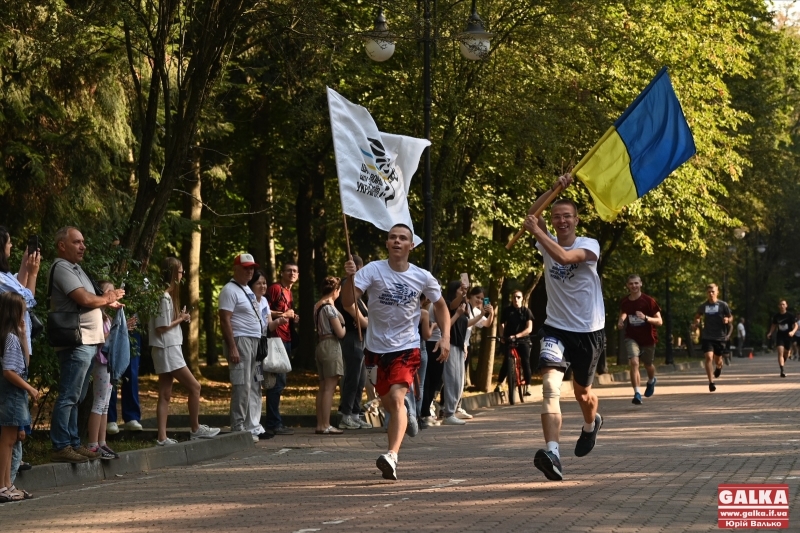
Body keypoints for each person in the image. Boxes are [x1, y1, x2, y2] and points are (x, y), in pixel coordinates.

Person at [342, 224, 450, 481]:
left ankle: (391, 455)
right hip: (375, 349)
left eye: (403, 238)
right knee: (389, 403)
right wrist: (349, 278)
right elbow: (347, 301)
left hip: (407, 346)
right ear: (387, 243)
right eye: (393, 237)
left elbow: (441, 305)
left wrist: (444, 337)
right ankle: (406, 416)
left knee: (396, 397)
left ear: (411, 245)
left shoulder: (422, 276)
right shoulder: (372, 270)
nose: (397, 241)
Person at [522, 174, 606, 482]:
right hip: (555, 328)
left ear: (576, 220)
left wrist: (538, 232)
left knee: (583, 394)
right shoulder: (547, 240)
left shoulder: (589, 245)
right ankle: (553, 453)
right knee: (550, 388)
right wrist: (553, 189)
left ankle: (590, 423)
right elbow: (533, 214)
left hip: (588, 331)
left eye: (567, 216)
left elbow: (565, 256)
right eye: (556, 217)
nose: (561, 221)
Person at [49, 227, 124, 463]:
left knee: (79, 396)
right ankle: (61, 445)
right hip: (76, 341)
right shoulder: (61, 267)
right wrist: (107, 299)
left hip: (88, 341)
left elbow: (95, 298)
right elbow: (84, 299)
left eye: (83, 241)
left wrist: (106, 300)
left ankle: (72, 442)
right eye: (77, 242)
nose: (83, 246)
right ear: (62, 245)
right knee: (70, 395)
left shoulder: (77, 268)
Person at [150, 258, 219, 446]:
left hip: (165, 348)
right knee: (195, 387)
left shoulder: (163, 296)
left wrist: (181, 317)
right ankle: (195, 428)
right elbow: (161, 327)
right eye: (180, 271)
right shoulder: (164, 297)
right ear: (172, 273)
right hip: (168, 349)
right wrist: (181, 318)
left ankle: (162, 437)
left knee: (165, 393)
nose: (182, 274)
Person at [0, 227, 40, 482]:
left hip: (20, 346)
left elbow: (20, 293)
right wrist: (33, 273)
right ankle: (5, 484)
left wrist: (26, 269)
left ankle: (8, 481)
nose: (11, 247)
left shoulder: (6, 276)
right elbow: (25, 299)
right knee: (9, 431)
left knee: (14, 432)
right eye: (9, 243)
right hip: (13, 350)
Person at [219, 253, 268, 442]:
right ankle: (238, 427)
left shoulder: (246, 289)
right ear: (236, 268)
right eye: (246, 267)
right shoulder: (229, 290)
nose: (250, 271)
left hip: (254, 341)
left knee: (253, 384)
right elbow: (225, 319)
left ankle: (250, 425)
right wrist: (232, 347)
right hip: (241, 341)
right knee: (242, 385)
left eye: (252, 268)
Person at [0, 293, 38, 502]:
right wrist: (30, 388)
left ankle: (7, 484)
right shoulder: (10, 338)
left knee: (11, 439)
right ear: (15, 312)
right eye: (23, 310)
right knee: (7, 441)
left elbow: (24, 365)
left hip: (12, 395)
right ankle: (2, 485)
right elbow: (10, 372)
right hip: (12, 395)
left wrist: (24, 335)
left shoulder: (12, 336)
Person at [248, 269, 289, 439]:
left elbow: (268, 326)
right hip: (250, 345)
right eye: (259, 283)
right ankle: (248, 425)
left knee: (258, 386)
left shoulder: (264, 301)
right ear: (251, 285)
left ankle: (257, 425)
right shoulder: (248, 300)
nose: (263, 286)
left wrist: (279, 321)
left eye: (264, 283)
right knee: (249, 386)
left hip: (262, 347)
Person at [334, 256, 371, 430]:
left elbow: (365, 315)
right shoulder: (346, 287)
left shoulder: (360, 293)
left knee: (360, 378)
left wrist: (366, 320)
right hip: (351, 336)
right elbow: (355, 314)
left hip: (362, 338)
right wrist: (368, 322)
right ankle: (346, 414)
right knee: (352, 377)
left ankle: (355, 413)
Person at [85, 281, 120, 459]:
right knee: (99, 402)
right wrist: (114, 331)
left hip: (109, 364)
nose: (113, 294)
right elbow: (99, 338)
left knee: (105, 404)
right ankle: (93, 444)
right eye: (110, 291)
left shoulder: (107, 317)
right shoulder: (97, 315)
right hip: (100, 362)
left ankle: (102, 442)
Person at [617, 274, 662, 405]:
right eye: (631, 284)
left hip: (648, 337)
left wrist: (646, 318)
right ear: (627, 286)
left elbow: (660, 321)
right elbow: (624, 312)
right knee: (634, 362)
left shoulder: (649, 301)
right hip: (631, 337)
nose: (634, 286)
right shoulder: (625, 301)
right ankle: (637, 393)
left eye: (636, 283)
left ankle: (651, 380)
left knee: (648, 365)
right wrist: (621, 320)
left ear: (641, 284)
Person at [265, 262, 299, 436]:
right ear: (282, 273)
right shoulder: (275, 289)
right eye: (289, 270)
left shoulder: (288, 292)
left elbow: (284, 312)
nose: (292, 273)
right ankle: (273, 423)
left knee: (280, 382)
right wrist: (283, 315)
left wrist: (292, 317)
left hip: (286, 339)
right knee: (275, 383)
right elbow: (264, 309)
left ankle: (275, 421)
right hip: (275, 340)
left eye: (295, 271)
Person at [314, 276, 346, 434]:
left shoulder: (317, 305)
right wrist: (345, 326)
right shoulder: (330, 308)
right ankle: (326, 424)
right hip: (330, 345)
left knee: (322, 387)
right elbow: (340, 333)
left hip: (320, 345)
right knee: (329, 388)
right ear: (335, 291)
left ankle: (320, 423)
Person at [458, 287, 493, 417]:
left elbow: (486, 324)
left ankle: (457, 406)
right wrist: (481, 314)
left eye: (482, 298)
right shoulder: (464, 307)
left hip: (465, 346)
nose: (479, 300)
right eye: (477, 297)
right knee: (454, 378)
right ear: (470, 296)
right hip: (459, 345)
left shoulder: (477, 311)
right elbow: (465, 324)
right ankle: (449, 407)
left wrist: (492, 313)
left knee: (460, 378)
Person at [693, 283, 732, 392]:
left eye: (713, 291)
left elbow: (730, 317)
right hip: (707, 336)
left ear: (717, 292)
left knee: (718, 360)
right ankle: (711, 382)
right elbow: (697, 316)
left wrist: (728, 320)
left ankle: (719, 367)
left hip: (720, 336)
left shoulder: (723, 305)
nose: (711, 294)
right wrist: (696, 323)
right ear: (707, 293)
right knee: (709, 357)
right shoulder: (703, 306)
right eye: (709, 292)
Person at [497, 290, 533, 395]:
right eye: (514, 297)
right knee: (506, 361)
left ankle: (528, 386)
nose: (516, 299)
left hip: (523, 340)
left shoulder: (526, 311)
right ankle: (499, 384)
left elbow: (529, 328)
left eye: (518, 297)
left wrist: (517, 336)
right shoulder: (507, 311)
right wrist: (502, 336)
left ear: (522, 299)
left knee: (525, 362)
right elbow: (501, 324)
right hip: (509, 339)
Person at [766, 300, 797, 378]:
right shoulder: (776, 316)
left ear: (786, 306)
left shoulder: (790, 315)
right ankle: (782, 370)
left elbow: (796, 325)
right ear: (778, 306)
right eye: (780, 304)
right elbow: (774, 325)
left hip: (788, 336)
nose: (782, 306)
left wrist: (793, 332)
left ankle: (784, 362)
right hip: (780, 336)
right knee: (780, 352)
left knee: (786, 353)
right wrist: (770, 333)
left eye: (783, 304)